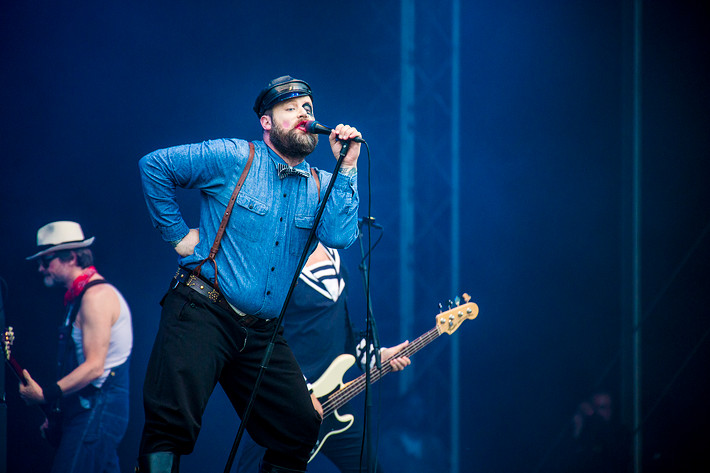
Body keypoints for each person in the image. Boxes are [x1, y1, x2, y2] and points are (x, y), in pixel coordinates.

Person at [137, 75, 362, 473]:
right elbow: (154, 166)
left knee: (298, 426)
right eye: (290, 109)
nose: (303, 115)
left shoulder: (322, 184)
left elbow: (342, 235)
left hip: (261, 333)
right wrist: (177, 237)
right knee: (170, 425)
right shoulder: (233, 156)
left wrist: (345, 167)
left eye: (308, 108)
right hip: (203, 309)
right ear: (267, 122)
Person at [235, 243, 411, 473]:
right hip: (286, 400)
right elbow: (262, 336)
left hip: (333, 402)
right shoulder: (281, 259)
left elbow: (345, 330)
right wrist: (304, 391)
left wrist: (377, 356)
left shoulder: (333, 252)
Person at [19, 220, 133, 473]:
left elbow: (94, 368)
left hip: (98, 409)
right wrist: (57, 415)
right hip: (86, 410)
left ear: (70, 257)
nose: (40, 269)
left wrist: (45, 394)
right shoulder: (80, 298)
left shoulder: (97, 297)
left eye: (46, 261)